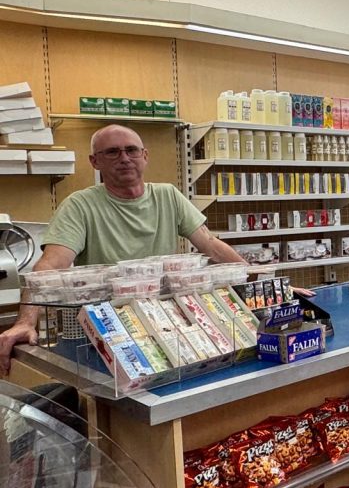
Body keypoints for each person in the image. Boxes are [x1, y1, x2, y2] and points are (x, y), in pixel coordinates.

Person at [0, 124, 248, 371]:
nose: (125, 158)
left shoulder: (168, 196)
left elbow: (211, 244)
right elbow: (51, 265)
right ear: (95, 162)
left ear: (145, 155)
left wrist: (251, 280)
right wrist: (25, 322)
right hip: (106, 329)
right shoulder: (80, 205)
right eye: (112, 152)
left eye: (132, 150)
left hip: (166, 321)